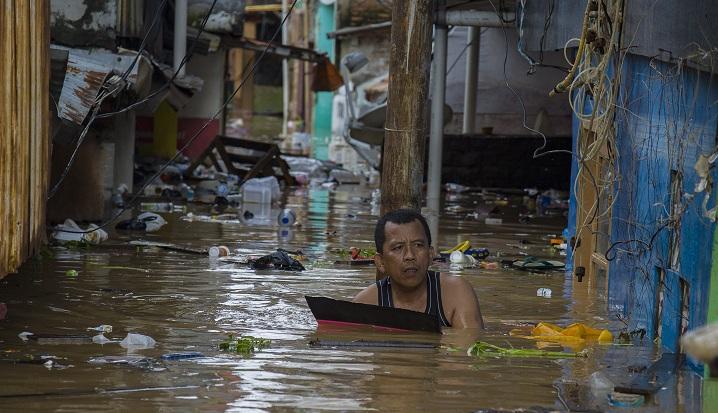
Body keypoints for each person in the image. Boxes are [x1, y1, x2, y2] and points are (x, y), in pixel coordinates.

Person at [353, 209, 484, 329]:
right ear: (380, 262)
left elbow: (468, 348)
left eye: (418, 245)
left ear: (431, 254)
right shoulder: (365, 304)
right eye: (398, 247)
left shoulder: (456, 292)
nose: (410, 256)